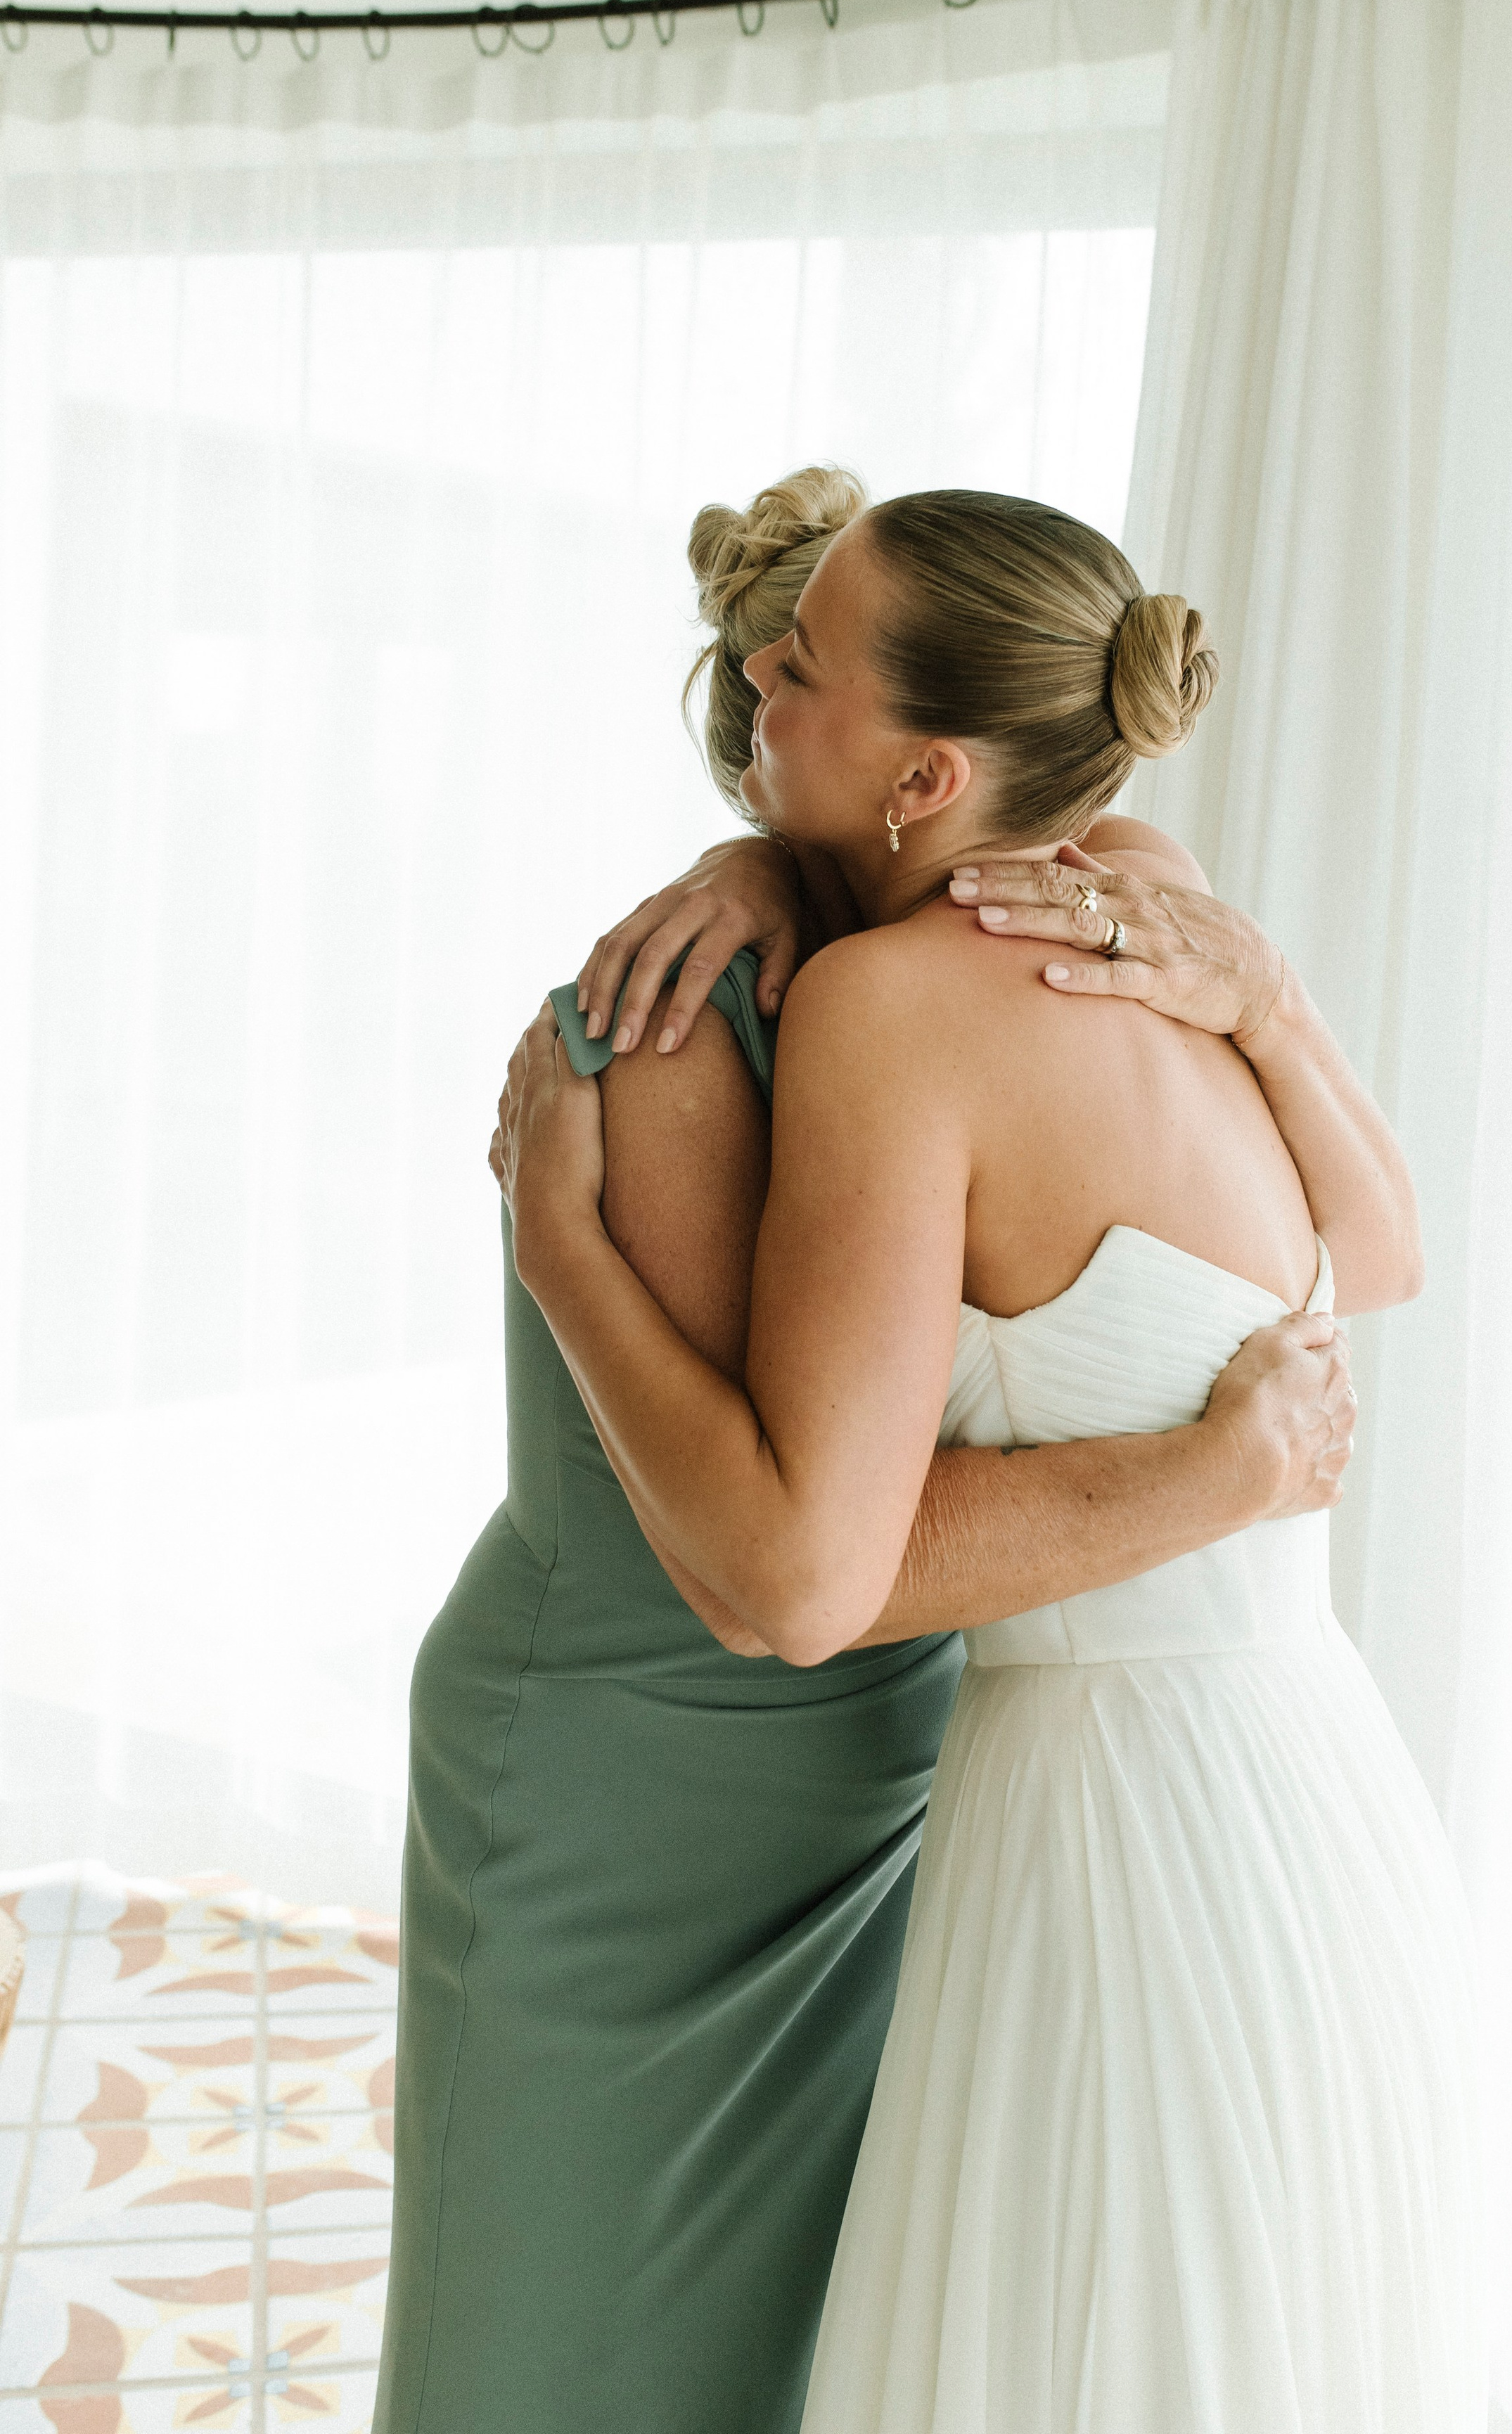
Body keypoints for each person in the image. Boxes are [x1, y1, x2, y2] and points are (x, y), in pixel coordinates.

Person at [373, 472, 1373, 2434]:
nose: (767, 679)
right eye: (775, 659)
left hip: (917, 1755)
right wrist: (559, 1236)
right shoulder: (689, 1016)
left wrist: (1265, 991)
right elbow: (772, 1572)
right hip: (639, 1779)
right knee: (556, 2351)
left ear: (924, 779)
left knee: (846, 2351)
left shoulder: (1001, 946)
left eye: (804, 666)